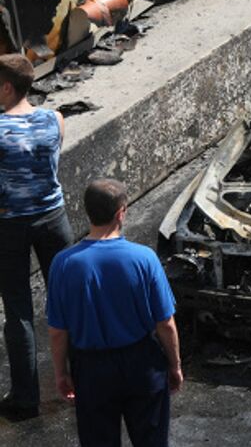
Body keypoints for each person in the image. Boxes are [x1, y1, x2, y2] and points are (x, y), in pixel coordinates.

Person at [47, 178, 183, 447]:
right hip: (142, 364)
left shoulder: (64, 264)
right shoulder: (144, 258)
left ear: (87, 211)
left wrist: (61, 373)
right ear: (121, 212)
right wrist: (175, 365)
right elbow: (165, 323)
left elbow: (57, 331)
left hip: (92, 368)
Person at [0, 53, 74, 420]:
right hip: (53, 218)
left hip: (10, 224)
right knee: (68, 301)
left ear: (8, 86)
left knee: (19, 312)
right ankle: (84, 380)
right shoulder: (54, 119)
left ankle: (25, 398)